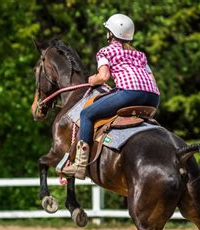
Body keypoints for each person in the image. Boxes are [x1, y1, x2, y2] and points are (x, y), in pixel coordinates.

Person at [61, 13, 160, 179]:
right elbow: (151, 79)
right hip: (153, 98)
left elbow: (103, 77)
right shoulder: (140, 54)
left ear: (110, 33)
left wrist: (91, 80)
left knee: (86, 114)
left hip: (130, 93)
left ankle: (79, 164)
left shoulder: (105, 52)